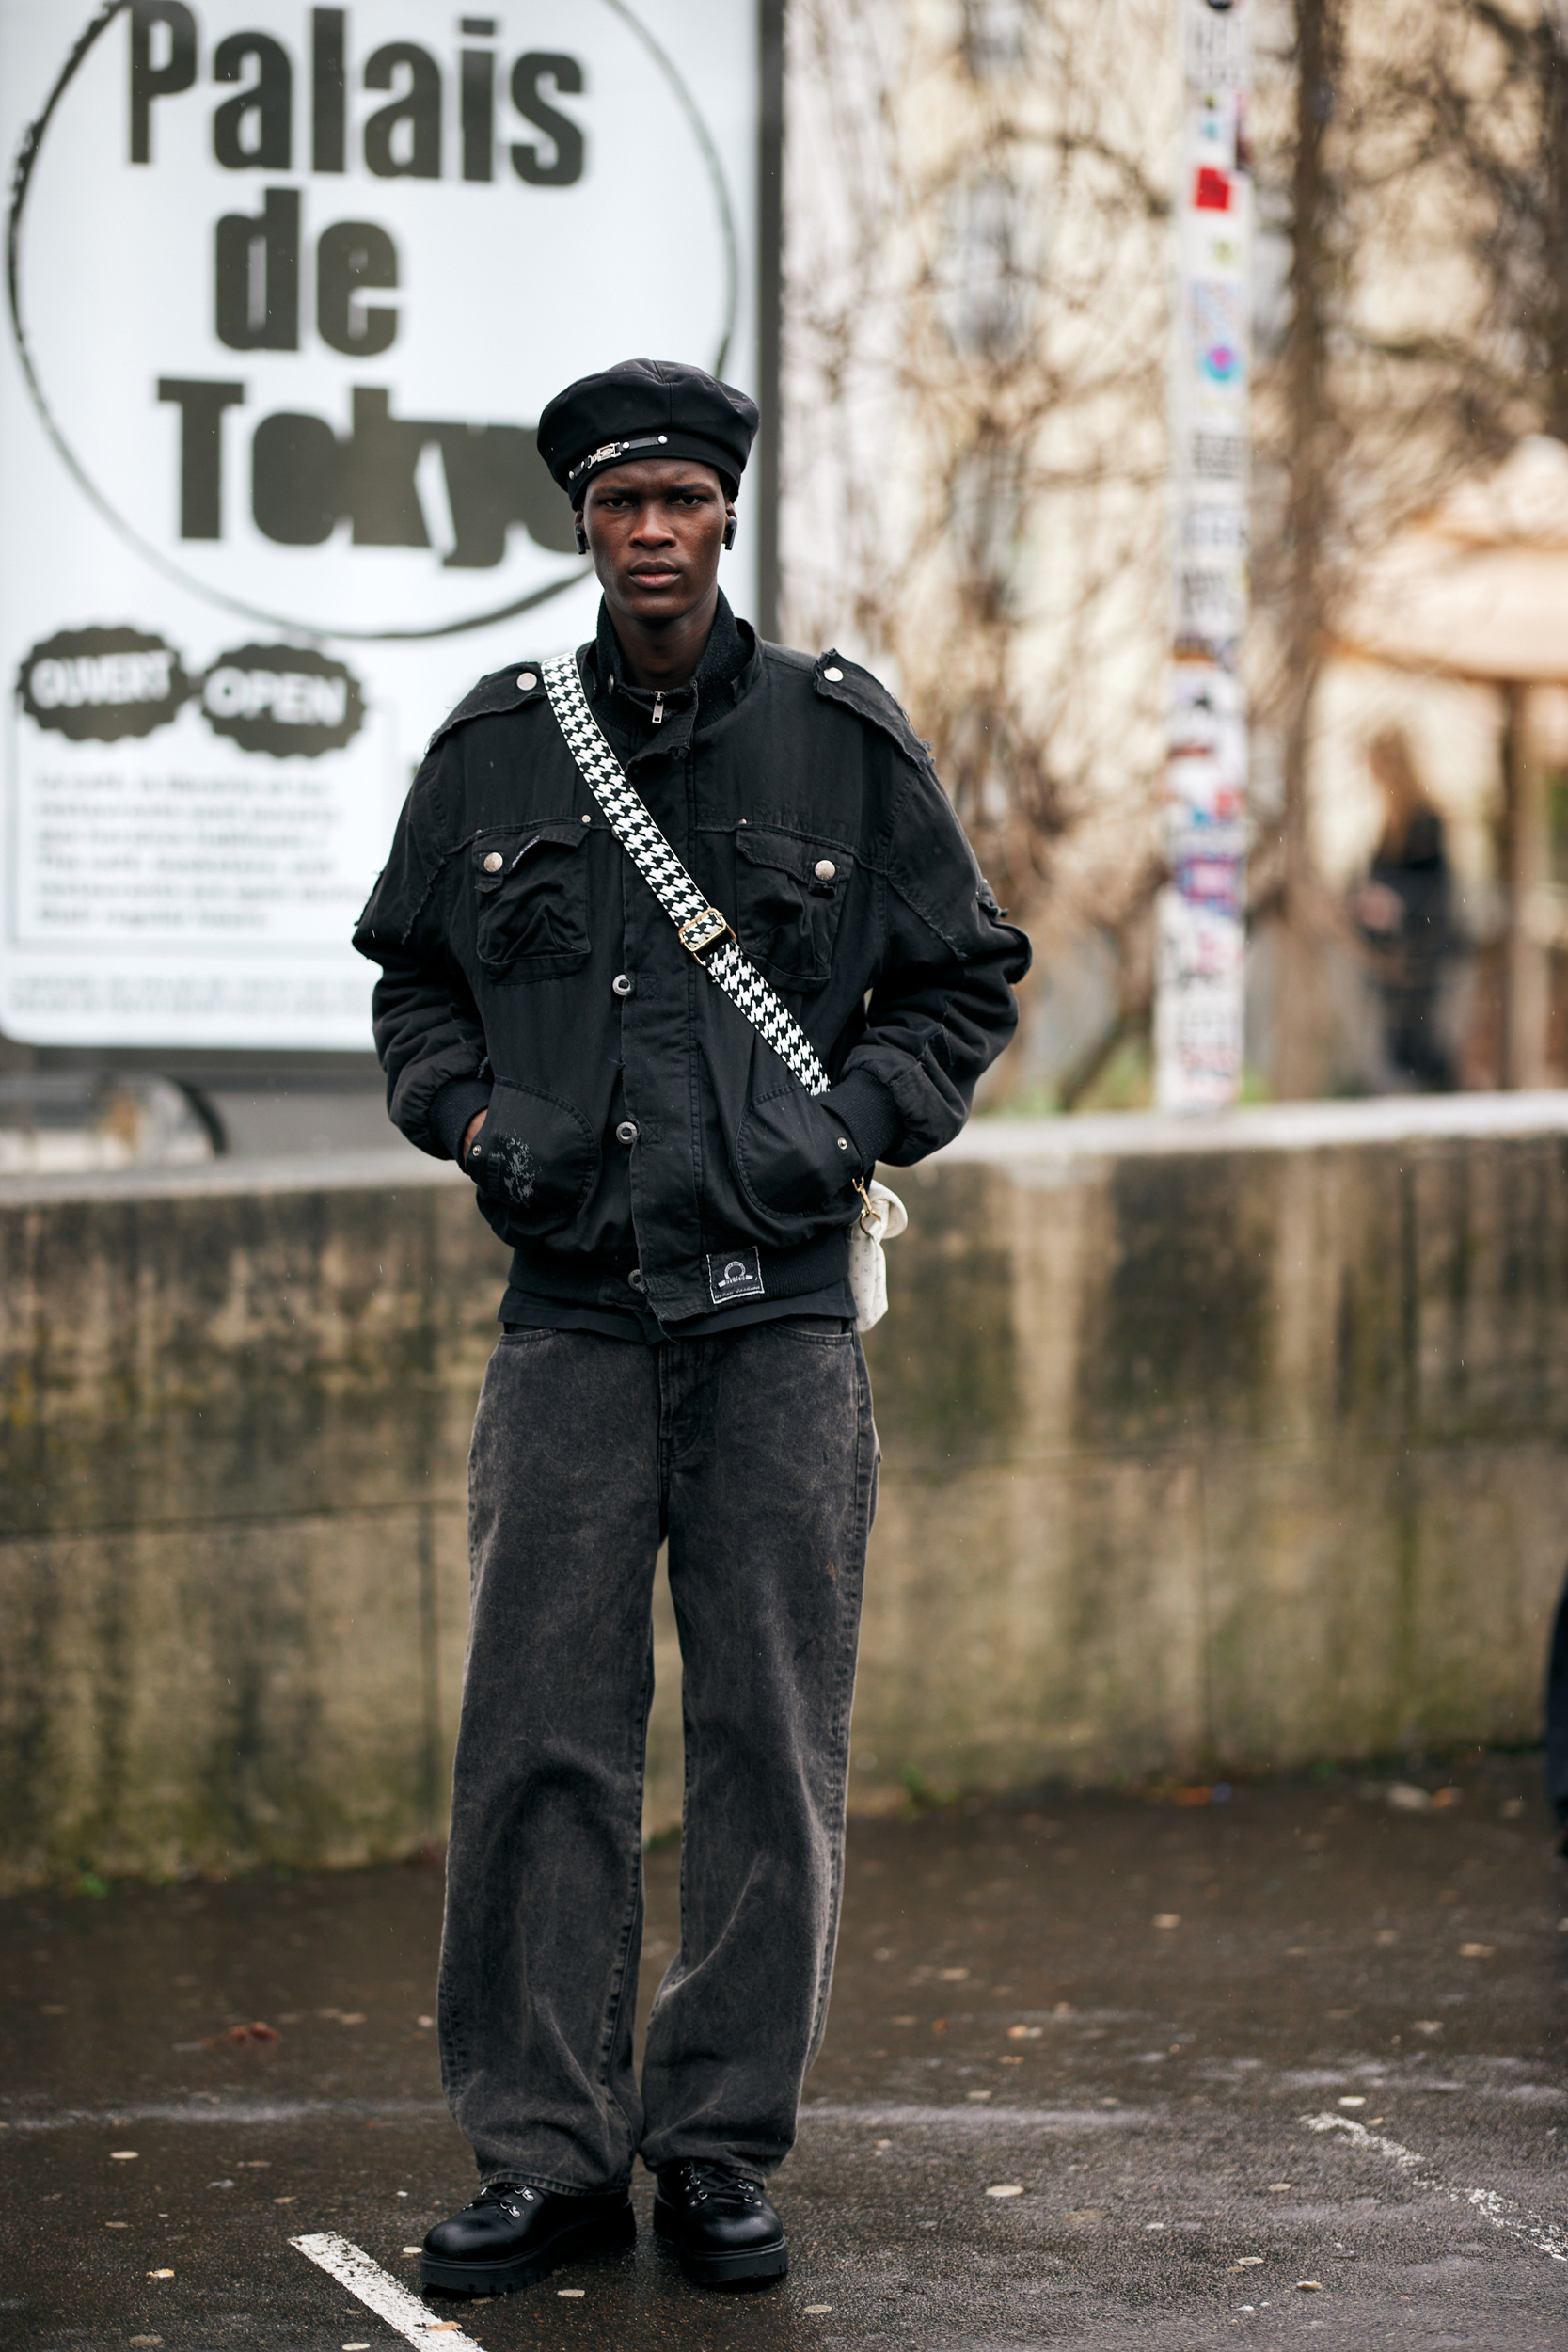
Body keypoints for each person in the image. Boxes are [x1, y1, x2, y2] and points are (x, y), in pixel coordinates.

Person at [353, 358, 1029, 2299]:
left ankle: (717, 2143)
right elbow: (409, 985)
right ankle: (547, 2152)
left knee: (765, 1747)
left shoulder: (835, 741)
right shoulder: (496, 749)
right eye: (615, 501)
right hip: (566, 1323)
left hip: (778, 1335)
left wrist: (840, 1125)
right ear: (580, 522)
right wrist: (476, 1119)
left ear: (724, 515)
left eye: (678, 499)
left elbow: (962, 979)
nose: (648, 529)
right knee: (535, 1747)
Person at [1352, 727, 1459, 1090]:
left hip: (1423, 957)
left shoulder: (1425, 822)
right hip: (1394, 957)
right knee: (1396, 1049)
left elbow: (1438, 894)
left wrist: (1396, 904)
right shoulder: (1389, 826)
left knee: (1423, 1047)